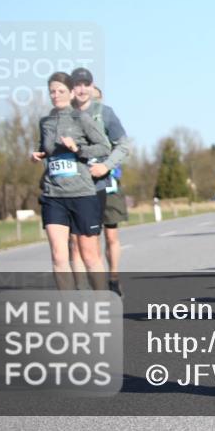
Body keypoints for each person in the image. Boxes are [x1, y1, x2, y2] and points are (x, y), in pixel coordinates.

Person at [30, 72, 112, 290]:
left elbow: (104, 146)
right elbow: (44, 147)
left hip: (82, 194)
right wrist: (38, 154)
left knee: (89, 255)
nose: (56, 95)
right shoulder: (45, 122)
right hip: (53, 194)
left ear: (71, 92)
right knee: (58, 256)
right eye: (52, 92)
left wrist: (77, 149)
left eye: (60, 91)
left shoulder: (81, 118)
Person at [68, 68, 132, 297]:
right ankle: (84, 292)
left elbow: (123, 145)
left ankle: (112, 277)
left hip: (105, 184)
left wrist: (106, 166)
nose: (82, 89)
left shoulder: (105, 113)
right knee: (76, 243)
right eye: (77, 84)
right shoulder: (62, 115)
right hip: (71, 189)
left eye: (87, 84)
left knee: (110, 235)